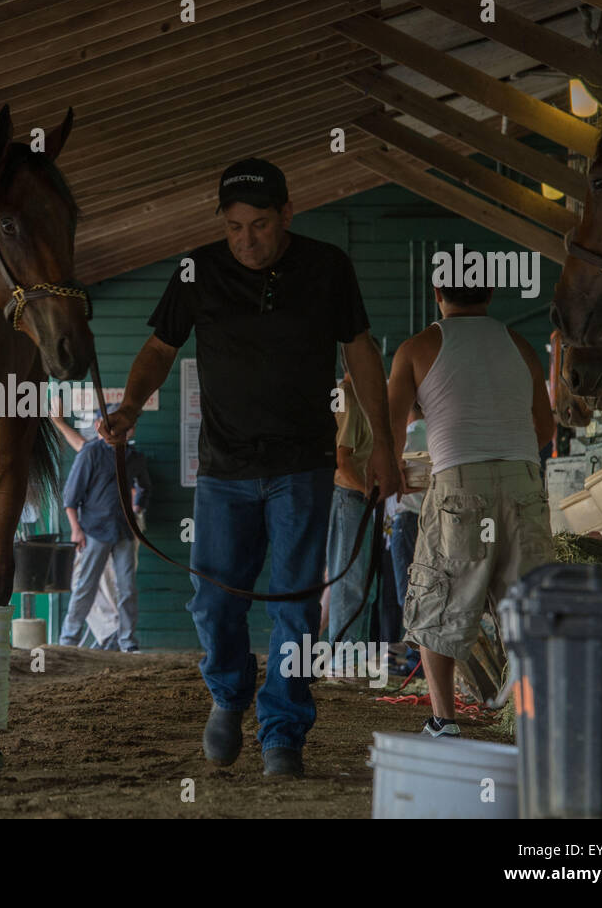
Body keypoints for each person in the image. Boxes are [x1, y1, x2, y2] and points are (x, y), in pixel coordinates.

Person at [101, 157, 399, 777]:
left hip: (303, 465)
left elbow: (361, 351)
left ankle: (283, 730)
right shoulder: (196, 270)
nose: (246, 241)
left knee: (294, 606)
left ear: (287, 213)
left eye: (259, 225)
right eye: (234, 227)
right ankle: (229, 694)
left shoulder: (328, 268)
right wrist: (129, 406)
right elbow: (160, 347)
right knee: (213, 602)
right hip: (223, 470)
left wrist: (384, 446)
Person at [386, 279, 554, 738]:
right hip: (523, 481)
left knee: (438, 601)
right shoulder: (519, 345)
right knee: (529, 603)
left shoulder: (416, 348)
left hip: (459, 486)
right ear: (490, 294)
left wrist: (390, 471)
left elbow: (389, 432)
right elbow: (544, 427)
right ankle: (533, 723)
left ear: (437, 291)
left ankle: (444, 723)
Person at [59, 402, 151, 653]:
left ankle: (128, 643)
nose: (119, 430)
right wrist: (76, 529)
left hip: (123, 533)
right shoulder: (90, 453)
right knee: (85, 588)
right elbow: (71, 497)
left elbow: (144, 489)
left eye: (125, 426)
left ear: (130, 429)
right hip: (93, 532)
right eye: (111, 425)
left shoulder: (134, 458)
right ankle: (68, 642)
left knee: (127, 589)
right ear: (100, 426)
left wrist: (136, 511)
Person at [326, 369, 375, 655]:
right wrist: (367, 491)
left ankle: (352, 654)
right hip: (350, 495)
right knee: (350, 579)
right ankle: (343, 657)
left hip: (356, 496)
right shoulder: (346, 397)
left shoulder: (354, 397)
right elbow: (341, 458)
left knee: (361, 580)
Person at [387, 405, 427, 677]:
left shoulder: (409, 438)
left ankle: (416, 659)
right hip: (428, 522)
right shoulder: (435, 435)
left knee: (407, 591)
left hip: (406, 520)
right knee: (424, 589)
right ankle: (423, 656)